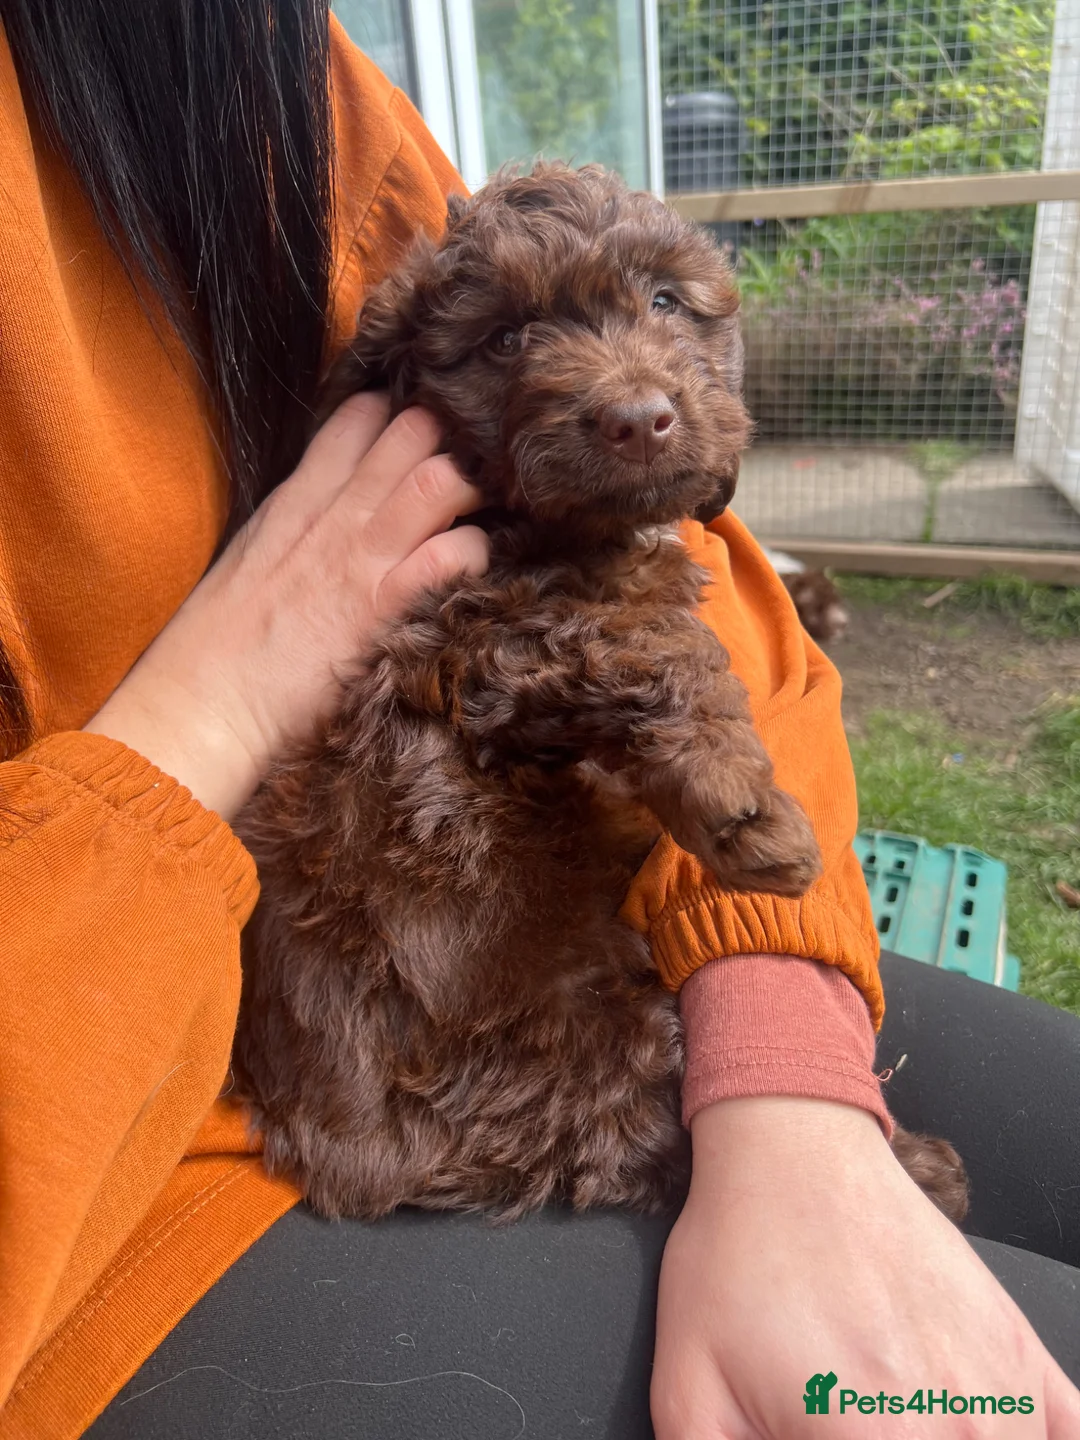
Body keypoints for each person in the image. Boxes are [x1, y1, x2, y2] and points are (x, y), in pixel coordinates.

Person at [0, 3, 1077, 1436]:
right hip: (223, 1143)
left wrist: (785, 1080)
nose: (624, 384)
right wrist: (206, 708)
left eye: (669, 312)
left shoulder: (239, 60)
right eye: (513, 339)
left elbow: (696, 601)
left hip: (600, 935)